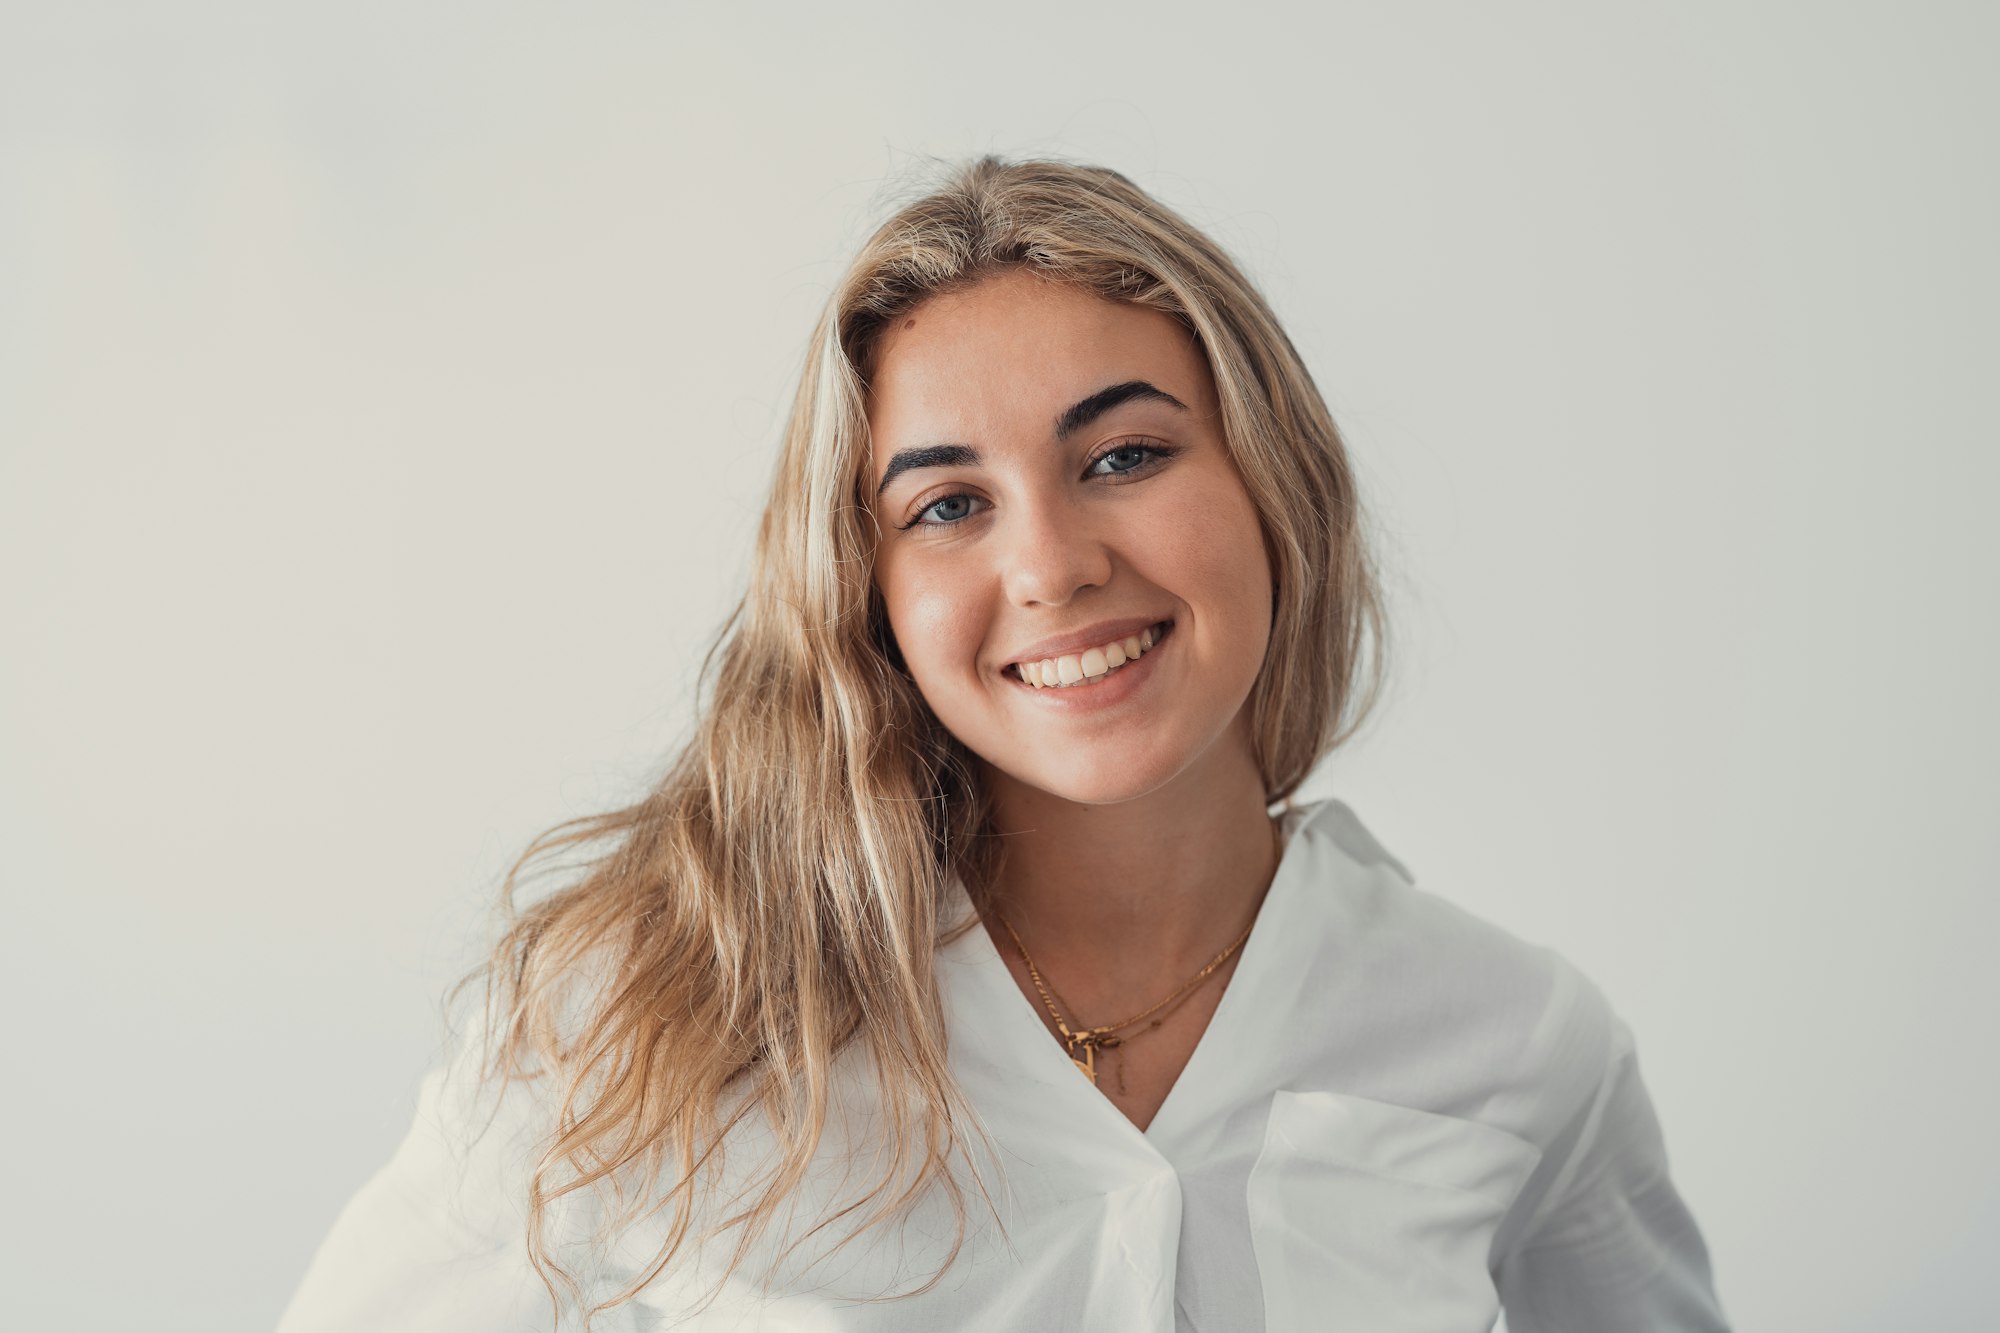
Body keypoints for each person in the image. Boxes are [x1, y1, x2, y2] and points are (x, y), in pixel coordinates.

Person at [277, 156, 1732, 1332]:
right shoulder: (642, 1013)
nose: (1051, 564)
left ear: (1273, 483)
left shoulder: (1521, 1047)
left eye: (1124, 457)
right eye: (947, 505)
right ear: (870, 592)